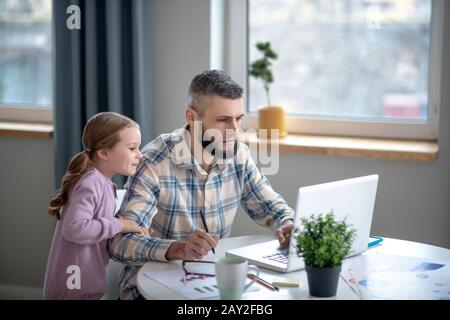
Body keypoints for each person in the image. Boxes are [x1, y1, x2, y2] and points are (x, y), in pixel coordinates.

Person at [109, 70, 294, 300]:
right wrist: (177, 248)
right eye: (223, 120)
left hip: (208, 287)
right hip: (147, 291)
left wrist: (287, 224)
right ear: (192, 117)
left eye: (238, 118)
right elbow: (119, 243)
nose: (235, 130)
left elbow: (270, 207)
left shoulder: (237, 154)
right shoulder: (154, 162)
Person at [44, 112, 149, 300]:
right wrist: (119, 225)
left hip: (83, 284)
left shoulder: (101, 182)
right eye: (133, 148)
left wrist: (117, 222)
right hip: (74, 286)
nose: (139, 155)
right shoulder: (91, 183)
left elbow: (95, 222)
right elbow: (74, 229)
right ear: (104, 152)